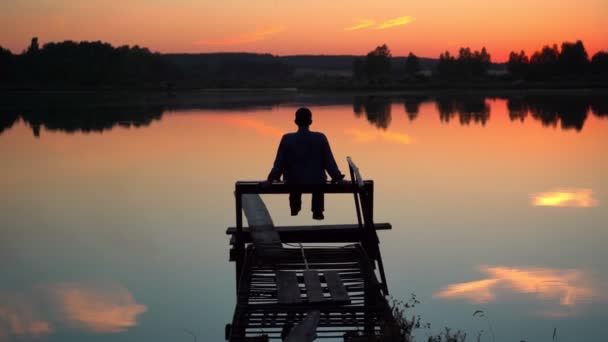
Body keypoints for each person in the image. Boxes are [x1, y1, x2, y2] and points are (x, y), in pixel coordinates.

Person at [267, 107, 344, 220]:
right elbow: (329, 162)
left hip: (293, 181)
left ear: (295, 122)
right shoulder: (320, 138)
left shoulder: (287, 139)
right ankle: (317, 210)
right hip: (316, 181)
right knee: (317, 181)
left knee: (295, 179)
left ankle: (295, 208)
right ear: (311, 122)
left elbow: (279, 163)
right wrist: (338, 178)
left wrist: (271, 179)